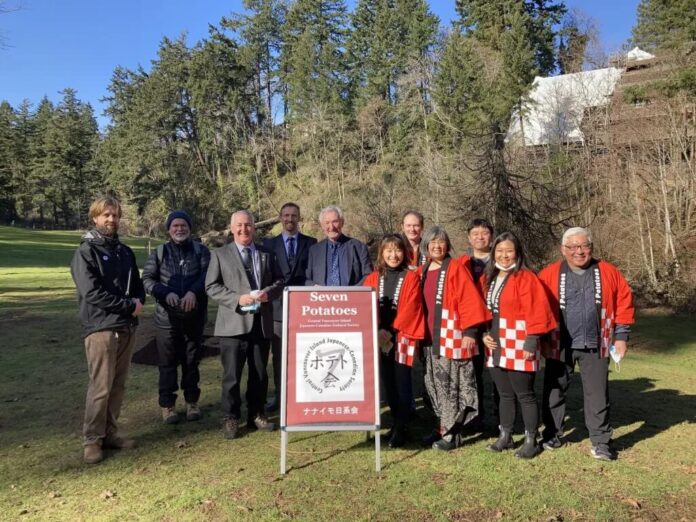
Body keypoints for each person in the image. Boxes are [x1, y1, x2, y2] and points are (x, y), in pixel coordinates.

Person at [538, 227, 635, 461]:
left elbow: (624, 302)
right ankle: (552, 433)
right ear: (563, 250)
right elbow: (535, 306)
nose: (579, 251)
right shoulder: (548, 274)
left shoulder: (608, 271)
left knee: (597, 394)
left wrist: (621, 337)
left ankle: (601, 441)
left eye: (584, 246)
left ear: (591, 247)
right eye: (573, 247)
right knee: (554, 391)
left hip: (596, 342)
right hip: (559, 344)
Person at [70, 195, 145, 464]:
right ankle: (92, 439)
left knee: (118, 384)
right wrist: (127, 305)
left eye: (115, 215)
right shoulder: (85, 253)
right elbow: (92, 293)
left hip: (126, 326)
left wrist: (138, 302)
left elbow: (137, 286)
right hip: (100, 327)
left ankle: (110, 433)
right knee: (100, 386)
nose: (111, 220)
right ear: (95, 218)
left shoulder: (124, 252)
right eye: (106, 215)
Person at [205, 210, 284, 439]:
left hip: (261, 323)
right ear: (232, 228)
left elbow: (279, 281)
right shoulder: (220, 254)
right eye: (239, 225)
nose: (244, 229)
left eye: (248, 225)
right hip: (233, 324)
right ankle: (230, 417)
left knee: (259, 373)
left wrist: (269, 293)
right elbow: (211, 286)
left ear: (254, 227)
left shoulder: (267, 253)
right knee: (232, 375)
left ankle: (256, 414)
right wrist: (237, 300)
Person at [481, 232, 556, 459]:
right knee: (504, 393)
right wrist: (484, 334)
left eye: (509, 251)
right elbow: (487, 312)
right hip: (496, 343)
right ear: (494, 253)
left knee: (524, 394)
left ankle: (532, 440)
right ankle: (506, 436)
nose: (504, 256)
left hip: (520, 342)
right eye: (500, 251)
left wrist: (532, 341)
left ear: (518, 253)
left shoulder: (526, 278)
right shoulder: (490, 277)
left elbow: (539, 310)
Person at [419, 226, 491, 451]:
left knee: (451, 386)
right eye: (433, 242)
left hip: (452, 337)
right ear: (426, 246)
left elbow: (470, 299)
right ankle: (442, 426)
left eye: (441, 242)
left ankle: (452, 434)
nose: (437, 246)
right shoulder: (423, 270)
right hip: (430, 338)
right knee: (435, 386)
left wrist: (470, 333)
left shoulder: (456, 268)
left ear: (447, 245)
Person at [142, 210, 210, 424]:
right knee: (167, 363)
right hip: (166, 319)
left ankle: (192, 402)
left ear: (190, 228)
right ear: (169, 229)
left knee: (191, 361)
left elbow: (208, 277)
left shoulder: (201, 251)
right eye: (175, 226)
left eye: (183, 225)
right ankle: (168, 406)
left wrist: (193, 293)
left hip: (194, 316)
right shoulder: (160, 253)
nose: (179, 229)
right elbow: (147, 279)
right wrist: (165, 292)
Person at [363, 235, 425, 448]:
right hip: (379, 337)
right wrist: (378, 329)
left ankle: (402, 426)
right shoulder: (373, 278)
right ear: (381, 253)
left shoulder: (411, 277)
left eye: (397, 250)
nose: (393, 255)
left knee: (402, 382)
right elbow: (364, 306)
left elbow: (411, 306)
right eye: (388, 251)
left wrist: (390, 330)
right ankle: (395, 423)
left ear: (404, 252)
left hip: (401, 336)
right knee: (387, 381)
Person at [262, 203, 317, 412]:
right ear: (280, 218)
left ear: (299, 218)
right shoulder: (268, 245)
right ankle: (280, 395)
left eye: (294, 215)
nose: (290, 219)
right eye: (286, 215)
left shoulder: (311, 243)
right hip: (276, 309)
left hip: (303, 308)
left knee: (304, 353)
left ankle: (304, 393)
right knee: (279, 356)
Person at [458, 218, 496, 430]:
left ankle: (502, 418)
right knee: (472, 373)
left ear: (491, 236)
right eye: (475, 233)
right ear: (469, 237)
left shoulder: (501, 260)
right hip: (471, 326)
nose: (480, 237)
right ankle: (475, 416)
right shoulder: (462, 264)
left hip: (496, 325)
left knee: (500, 371)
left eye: (484, 233)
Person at [305, 205, 373, 286]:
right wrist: (314, 286)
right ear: (322, 226)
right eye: (327, 223)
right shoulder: (314, 250)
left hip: (351, 297)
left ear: (342, 223)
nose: (331, 227)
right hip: (322, 297)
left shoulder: (359, 247)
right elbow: (307, 279)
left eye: (335, 221)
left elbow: (368, 275)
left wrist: (354, 292)